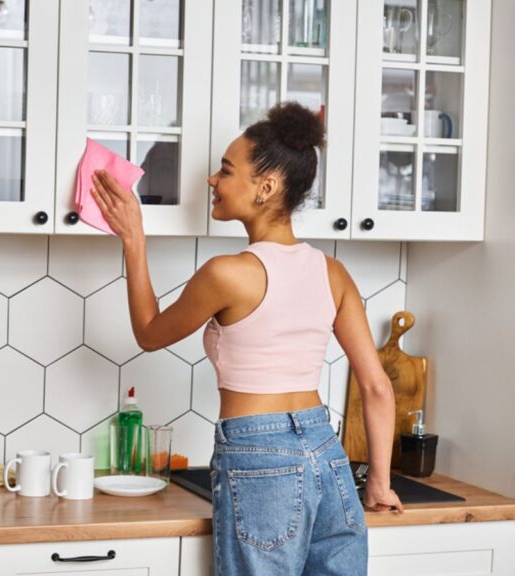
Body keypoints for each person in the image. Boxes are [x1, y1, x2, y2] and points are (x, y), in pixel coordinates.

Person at [90, 102, 404, 575]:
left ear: (267, 187)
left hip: (261, 458)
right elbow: (377, 386)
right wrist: (379, 482)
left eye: (225, 170)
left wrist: (134, 239)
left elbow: (150, 334)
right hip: (326, 452)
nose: (212, 181)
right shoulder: (332, 273)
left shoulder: (228, 274)